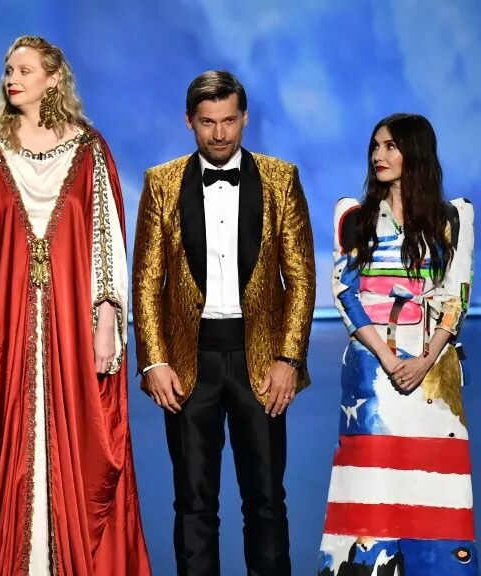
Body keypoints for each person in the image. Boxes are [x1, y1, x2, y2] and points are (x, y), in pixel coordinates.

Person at [0, 35, 151, 576]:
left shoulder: (89, 149)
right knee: (1, 446)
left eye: (25, 70)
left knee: (81, 446)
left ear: (53, 78)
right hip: (1, 326)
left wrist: (106, 321)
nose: (12, 78)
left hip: (72, 326)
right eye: (8, 69)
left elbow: (106, 243)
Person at [133, 70, 316, 575]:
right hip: (188, 365)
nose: (219, 134)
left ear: (245, 118)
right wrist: (154, 361)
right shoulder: (161, 182)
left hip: (262, 363)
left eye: (229, 121)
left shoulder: (280, 178)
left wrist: (289, 358)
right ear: (188, 122)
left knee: (266, 499)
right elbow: (146, 281)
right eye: (208, 122)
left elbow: (301, 276)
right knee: (193, 503)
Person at [319, 114, 476, 575]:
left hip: (434, 375)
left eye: (390, 146)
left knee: (435, 487)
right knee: (370, 487)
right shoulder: (356, 217)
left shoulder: (453, 218)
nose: (379, 155)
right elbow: (344, 291)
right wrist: (388, 358)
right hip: (373, 371)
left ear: (415, 151)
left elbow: (456, 294)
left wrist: (426, 359)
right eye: (375, 146)